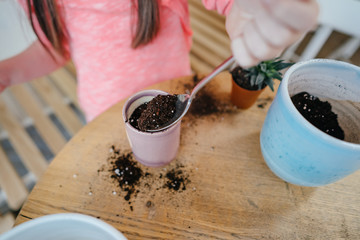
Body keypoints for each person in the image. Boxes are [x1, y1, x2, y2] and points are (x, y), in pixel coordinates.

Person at [0, 0, 318, 122]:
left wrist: (248, 14)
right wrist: (7, 73)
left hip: (174, 101)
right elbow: (55, 46)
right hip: (101, 114)